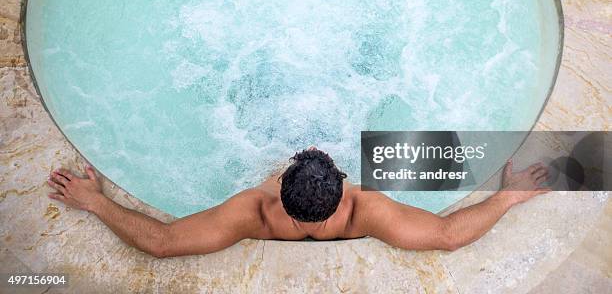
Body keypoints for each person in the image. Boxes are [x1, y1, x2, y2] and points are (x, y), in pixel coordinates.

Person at [46, 146, 549, 258]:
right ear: (344, 184)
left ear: (280, 188)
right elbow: (447, 236)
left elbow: (161, 243)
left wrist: (95, 202)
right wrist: (508, 195)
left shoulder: (255, 212)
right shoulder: (364, 208)